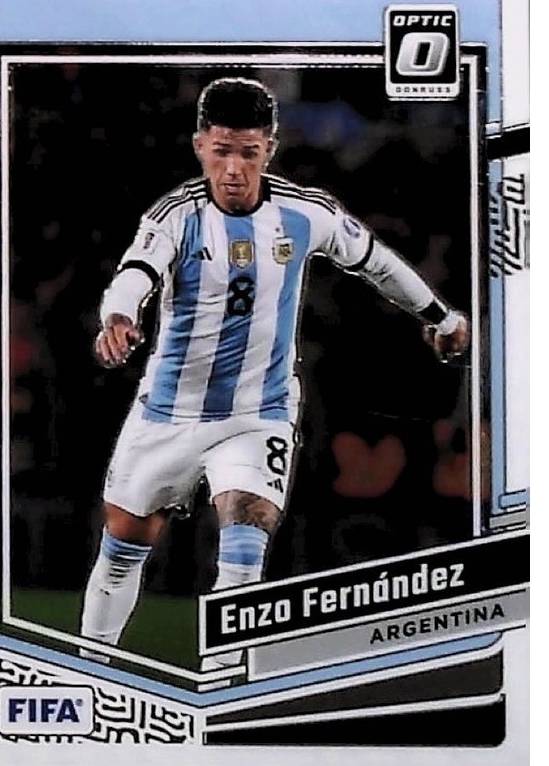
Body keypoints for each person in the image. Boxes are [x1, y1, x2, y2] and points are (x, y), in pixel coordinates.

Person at [79, 77, 469, 670]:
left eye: (249, 152)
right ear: (199, 145)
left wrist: (439, 316)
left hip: (258, 412)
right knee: (124, 546)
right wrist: (118, 316)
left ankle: (223, 688)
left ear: (270, 148)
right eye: (221, 151)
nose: (234, 169)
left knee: (247, 526)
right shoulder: (176, 216)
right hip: (168, 413)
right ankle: (92, 671)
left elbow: (377, 261)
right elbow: (137, 270)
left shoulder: (305, 213)